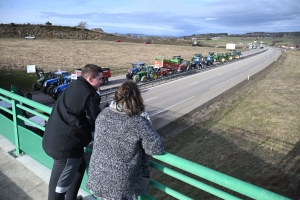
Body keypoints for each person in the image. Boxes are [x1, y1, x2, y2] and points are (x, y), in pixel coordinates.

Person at [86, 80, 164, 200]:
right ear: (137, 99)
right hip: (120, 184)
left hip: (98, 176)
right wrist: (147, 122)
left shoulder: (104, 114)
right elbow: (156, 148)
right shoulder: (138, 122)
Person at [42, 64, 103, 200]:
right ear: (91, 79)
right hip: (65, 149)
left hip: (52, 139)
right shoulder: (90, 95)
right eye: (100, 79)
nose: (101, 82)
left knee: (79, 167)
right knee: (58, 191)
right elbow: (98, 122)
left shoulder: (75, 85)